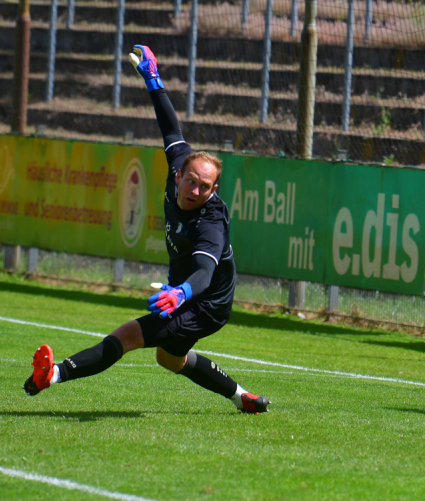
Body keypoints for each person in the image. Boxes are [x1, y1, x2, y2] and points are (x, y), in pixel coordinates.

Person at [23, 44, 270, 414]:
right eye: (192, 181)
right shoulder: (179, 164)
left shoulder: (211, 222)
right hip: (183, 291)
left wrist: (182, 293)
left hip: (204, 304)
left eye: (205, 187)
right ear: (179, 173)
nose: (196, 190)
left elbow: (205, 272)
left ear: (213, 190)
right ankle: (243, 398)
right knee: (169, 360)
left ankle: (53, 375)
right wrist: (154, 81)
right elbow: (169, 125)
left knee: (128, 336)